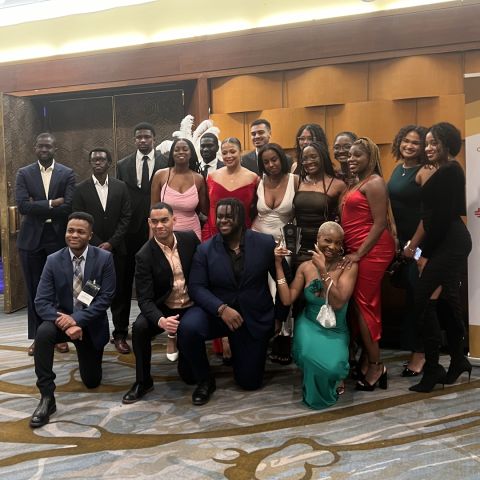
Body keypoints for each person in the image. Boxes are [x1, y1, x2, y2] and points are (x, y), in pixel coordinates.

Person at [178, 198, 288, 405]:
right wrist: (220, 308)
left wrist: (279, 316)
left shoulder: (265, 243)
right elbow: (196, 287)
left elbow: (285, 280)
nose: (223, 221)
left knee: (249, 382)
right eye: (219, 217)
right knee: (189, 328)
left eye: (229, 216)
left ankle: (241, 352)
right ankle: (205, 378)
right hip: (216, 313)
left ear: (241, 217)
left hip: (252, 317)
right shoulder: (205, 249)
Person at [30, 212, 116, 428]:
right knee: (43, 333)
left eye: (80, 231)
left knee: (92, 381)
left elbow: (104, 299)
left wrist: (76, 320)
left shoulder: (104, 259)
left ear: (90, 235)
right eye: (70, 230)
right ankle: (47, 397)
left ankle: (87, 353)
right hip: (61, 322)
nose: (74, 235)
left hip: (90, 324)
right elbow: (41, 302)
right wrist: (66, 324)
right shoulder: (53, 260)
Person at [403, 122, 472, 393]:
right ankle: (457, 360)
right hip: (446, 241)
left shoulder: (450, 171)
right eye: (427, 143)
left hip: (450, 242)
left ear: (448, 144)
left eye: (435, 143)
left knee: (422, 301)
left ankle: (433, 368)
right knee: (444, 300)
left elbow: (441, 219)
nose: (429, 148)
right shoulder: (444, 170)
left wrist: (423, 254)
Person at [122, 202, 200, 404]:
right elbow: (145, 299)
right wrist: (161, 321)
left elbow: (203, 274)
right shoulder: (143, 255)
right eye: (154, 222)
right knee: (139, 328)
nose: (159, 226)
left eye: (164, 220)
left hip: (191, 305)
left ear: (174, 220)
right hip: (163, 307)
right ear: (149, 223)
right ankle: (143, 381)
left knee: (190, 377)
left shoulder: (190, 240)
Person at [274, 222, 358, 409]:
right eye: (328, 241)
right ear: (318, 239)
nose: (333, 247)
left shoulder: (348, 266)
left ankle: (334, 376)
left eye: (338, 243)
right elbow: (287, 299)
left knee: (333, 367)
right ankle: (313, 373)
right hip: (309, 323)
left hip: (336, 327)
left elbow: (337, 302)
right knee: (308, 356)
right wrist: (278, 266)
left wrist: (323, 270)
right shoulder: (304, 267)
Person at [340, 137, 396, 391]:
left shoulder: (375, 183)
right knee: (360, 307)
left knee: (365, 307)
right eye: (349, 155)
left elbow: (380, 223)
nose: (351, 159)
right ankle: (366, 359)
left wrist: (359, 254)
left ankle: (376, 365)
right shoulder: (357, 182)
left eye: (357, 155)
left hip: (372, 250)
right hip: (358, 249)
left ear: (370, 157)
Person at [16, 132, 76, 356]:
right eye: (40, 146)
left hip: (58, 237)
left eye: (48, 147)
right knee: (34, 291)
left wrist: (38, 205)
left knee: (59, 290)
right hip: (31, 240)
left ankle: (58, 336)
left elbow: (68, 206)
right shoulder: (24, 173)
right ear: (35, 148)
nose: (44, 150)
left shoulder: (67, 173)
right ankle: (37, 337)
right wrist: (52, 203)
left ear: (55, 149)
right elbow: (23, 206)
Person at [201, 137, 259, 360]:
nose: (228, 156)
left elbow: (254, 209)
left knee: (240, 284)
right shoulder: (212, 176)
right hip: (215, 234)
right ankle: (222, 339)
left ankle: (240, 335)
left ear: (240, 151)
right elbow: (207, 207)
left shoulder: (253, 178)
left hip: (242, 236)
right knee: (218, 284)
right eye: (224, 152)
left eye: (232, 151)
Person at [72, 148, 132, 354]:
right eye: (94, 159)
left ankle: (120, 335)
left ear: (109, 163)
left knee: (120, 295)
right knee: (90, 292)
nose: (98, 162)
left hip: (117, 250)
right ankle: (90, 333)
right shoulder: (80, 189)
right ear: (90, 163)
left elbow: (126, 217)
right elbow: (78, 218)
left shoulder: (121, 187)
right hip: (91, 252)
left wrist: (112, 243)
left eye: (102, 159)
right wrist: (97, 243)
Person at [117, 122, 168, 344]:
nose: (143, 140)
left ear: (154, 139)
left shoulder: (167, 162)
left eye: (147, 137)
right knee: (124, 281)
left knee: (158, 278)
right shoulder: (123, 164)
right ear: (134, 140)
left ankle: (155, 325)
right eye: (139, 137)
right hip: (130, 231)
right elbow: (120, 197)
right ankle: (120, 331)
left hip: (159, 229)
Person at [387, 125, 431, 375]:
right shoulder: (398, 169)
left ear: (424, 148)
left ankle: (421, 355)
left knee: (419, 298)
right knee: (411, 296)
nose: (410, 146)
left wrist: (413, 246)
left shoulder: (425, 171)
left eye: (416, 143)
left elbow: (428, 214)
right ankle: (417, 349)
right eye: (406, 141)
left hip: (420, 245)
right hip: (403, 243)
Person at [292, 141, 346, 267]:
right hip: (300, 248)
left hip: (325, 248)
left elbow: (344, 220)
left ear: (323, 157)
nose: (309, 161)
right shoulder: (297, 181)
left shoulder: (338, 184)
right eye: (304, 158)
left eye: (313, 156)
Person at [150, 138, 208, 241]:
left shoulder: (199, 179)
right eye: (177, 149)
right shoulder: (160, 175)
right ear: (172, 153)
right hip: (165, 233)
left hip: (192, 233)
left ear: (191, 153)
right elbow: (153, 211)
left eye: (185, 149)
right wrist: (151, 240)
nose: (181, 152)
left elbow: (204, 210)